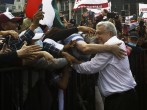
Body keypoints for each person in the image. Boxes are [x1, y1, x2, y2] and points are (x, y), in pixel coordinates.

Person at [72, 21, 138, 110]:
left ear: (109, 33)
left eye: (99, 33)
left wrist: (72, 63)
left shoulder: (111, 44)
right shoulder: (116, 43)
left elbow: (91, 67)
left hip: (120, 99)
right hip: (123, 96)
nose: (97, 36)